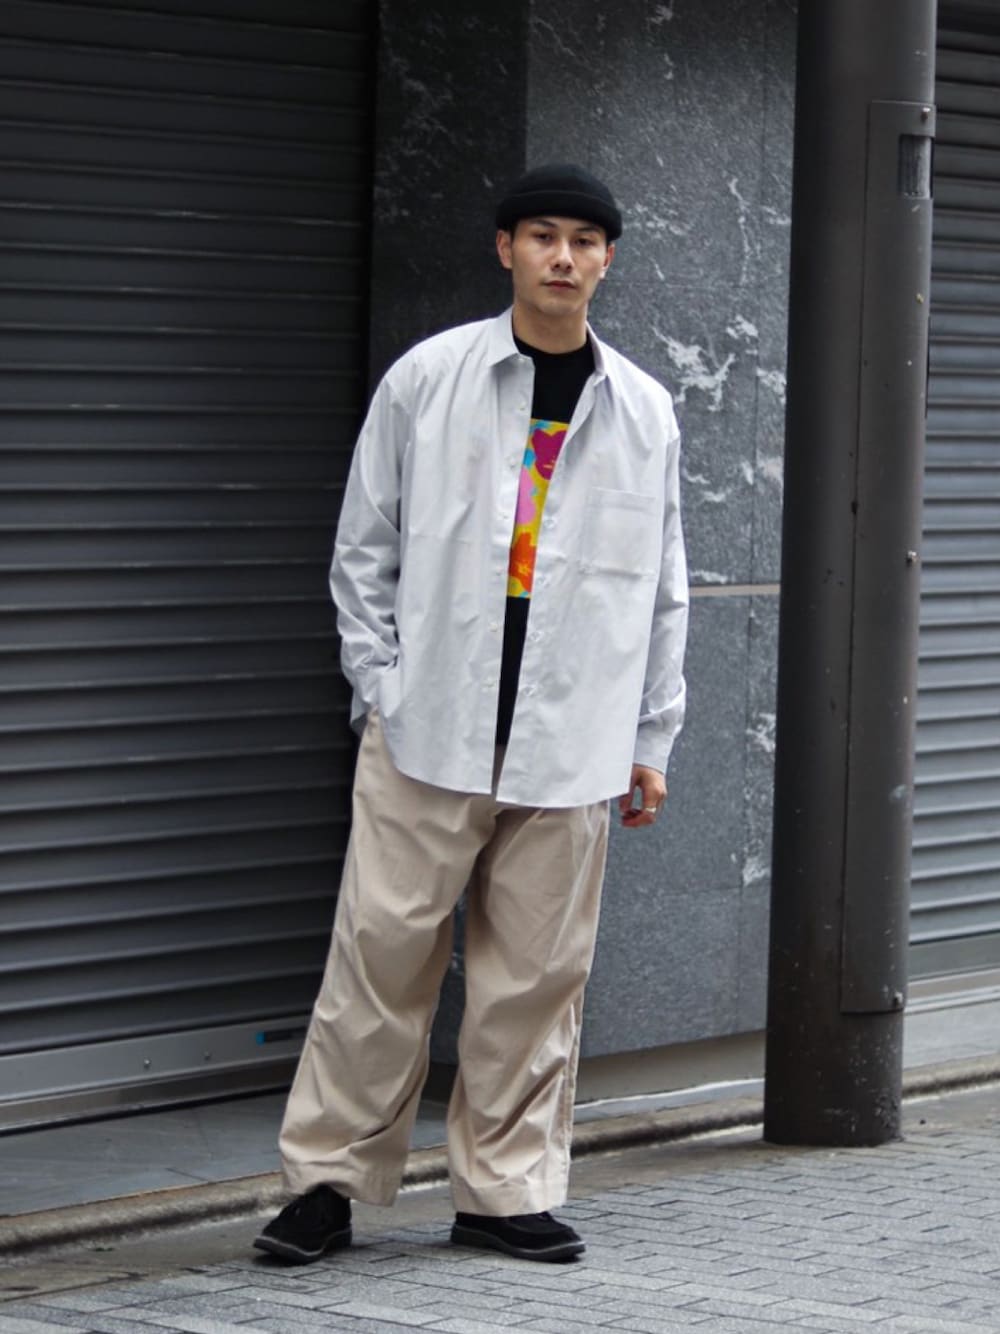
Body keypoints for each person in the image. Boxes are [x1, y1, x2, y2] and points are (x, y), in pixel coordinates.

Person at [254, 163, 688, 1266]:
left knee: (534, 983)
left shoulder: (643, 409)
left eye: (583, 240)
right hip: (430, 728)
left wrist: (650, 737)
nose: (562, 257)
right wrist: (381, 685)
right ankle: (325, 1185)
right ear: (505, 249)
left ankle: (503, 1191)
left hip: (571, 739)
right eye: (541, 235)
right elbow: (364, 545)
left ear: (608, 259)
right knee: (377, 962)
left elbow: (663, 586)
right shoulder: (429, 378)